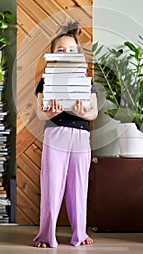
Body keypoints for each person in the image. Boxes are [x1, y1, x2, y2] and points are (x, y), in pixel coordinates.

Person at [33, 21, 98, 248]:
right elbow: (40, 114)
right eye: (60, 50)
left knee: (79, 187)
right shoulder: (45, 82)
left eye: (71, 50)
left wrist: (84, 112)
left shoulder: (86, 81)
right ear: (52, 55)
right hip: (55, 134)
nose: (66, 54)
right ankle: (45, 235)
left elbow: (94, 112)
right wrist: (50, 113)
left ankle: (79, 234)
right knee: (52, 186)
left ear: (78, 55)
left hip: (81, 136)